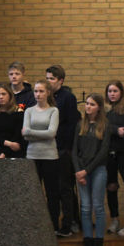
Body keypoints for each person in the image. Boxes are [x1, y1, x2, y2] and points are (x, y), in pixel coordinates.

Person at [72, 94, 110, 246]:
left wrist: (86, 171)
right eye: (87, 103)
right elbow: (74, 150)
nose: (88, 106)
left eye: (92, 104)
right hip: (81, 171)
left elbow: (103, 152)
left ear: (99, 107)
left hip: (97, 169)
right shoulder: (80, 124)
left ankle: (98, 242)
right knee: (85, 207)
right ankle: (87, 241)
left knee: (98, 206)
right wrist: (78, 171)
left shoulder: (105, 125)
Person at [46, 65, 81, 236]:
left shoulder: (68, 97)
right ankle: (56, 222)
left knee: (65, 187)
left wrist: (66, 147)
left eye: (52, 79)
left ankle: (69, 222)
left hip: (62, 148)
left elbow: (71, 124)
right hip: (48, 148)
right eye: (47, 78)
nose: (49, 82)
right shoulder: (46, 96)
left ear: (60, 81)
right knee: (53, 189)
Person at [21, 80, 60, 232]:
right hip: (32, 156)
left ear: (48, 93)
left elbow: (51, 133)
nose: (38, 94)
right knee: (33, 193)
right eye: (36, 91)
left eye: (41, 91)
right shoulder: (29, 111)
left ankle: (53, 226)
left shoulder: (53, 111)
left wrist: (31, 132)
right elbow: (25, 136)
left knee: (52, 193)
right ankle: (34, 226)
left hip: (50, 156)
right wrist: (34, 134)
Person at [105, 80, 124, 234]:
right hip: (110, 153)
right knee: (111, 186)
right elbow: (104, 127)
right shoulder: (105, 110)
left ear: (121, 92)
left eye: (115, 91)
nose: (112, 94)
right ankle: (114, 219)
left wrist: (114, 130)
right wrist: (115, 130)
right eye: (110, 91)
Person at [0, 83, 25, 160]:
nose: (1, 97)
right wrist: (9, 143)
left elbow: (17, 136)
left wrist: (4, 154)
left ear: (10, 95)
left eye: (3, 94)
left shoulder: (18, 112)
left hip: (13, 150)